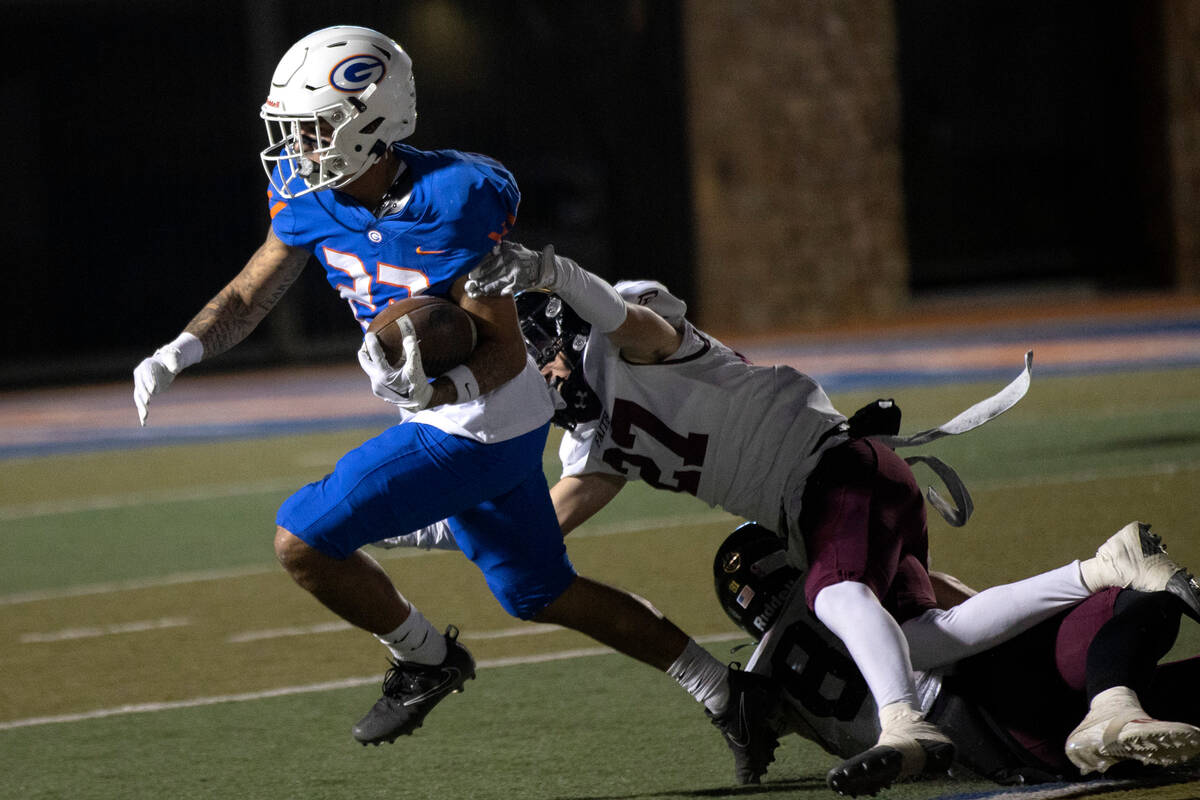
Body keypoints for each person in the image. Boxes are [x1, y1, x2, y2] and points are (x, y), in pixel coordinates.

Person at [129, 26, 780, 776]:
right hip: (455, 415)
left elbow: (504, 352)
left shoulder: (456, 198)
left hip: (481, 421)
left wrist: (438, 386)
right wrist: (182, 348)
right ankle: (727, 690)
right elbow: (251, 291)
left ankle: (425, 659)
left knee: (302, 537)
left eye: (313, 127)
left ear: (371, 124)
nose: (298, 146)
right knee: (540, 590)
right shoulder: (308, 196)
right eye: (293, 130)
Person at [436, 242, 1200, 792]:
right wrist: (421, 517)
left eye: (539, 359)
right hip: (822, 500)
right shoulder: (594, 445)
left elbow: (621, 316)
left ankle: (907, 720)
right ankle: (1103, 572)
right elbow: (536, 528)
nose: (538, 380)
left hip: (830, 464)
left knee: (837, 595)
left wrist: (549, 270)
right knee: (916, 634)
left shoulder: (634, 343)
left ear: (564, 331)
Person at [712, 522, 1200, 792]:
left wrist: (747, 756)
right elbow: (959, 609)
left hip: (1011, 759)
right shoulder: (843, 585)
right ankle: (1113, 705)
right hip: (998, 689)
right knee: (1139, 588)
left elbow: (744, 727)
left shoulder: (767, 679)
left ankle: (1115, 707)